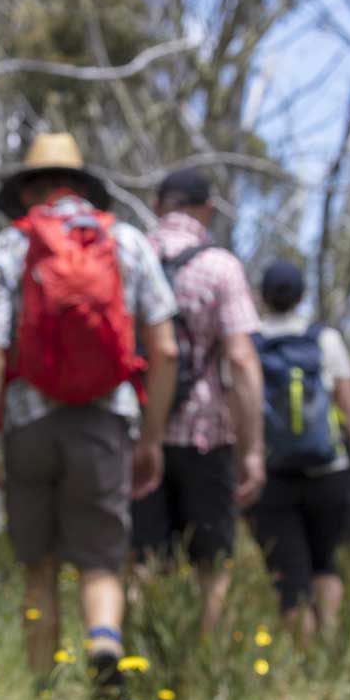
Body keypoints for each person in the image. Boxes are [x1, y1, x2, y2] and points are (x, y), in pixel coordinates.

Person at [0, 133, 178, 694]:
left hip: (27, 422)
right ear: (82, 186)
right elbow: (166, 350)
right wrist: (151, 438)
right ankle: (104, 643)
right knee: (101, 560)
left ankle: (41, 687)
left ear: (28, 191)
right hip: (106, 420)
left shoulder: (6, 249)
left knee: (39, 566)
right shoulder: (128, 242)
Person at [132, 167, 264, 635]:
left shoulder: (130, 257)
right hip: (205, 432)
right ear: (206, 208)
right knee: (212, 564)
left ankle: (143, 653)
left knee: (144, 556)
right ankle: (202, 659)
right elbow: (242, 360)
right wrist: (252, 449)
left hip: (136, 430)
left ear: (158, 203)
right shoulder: (221, 266)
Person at [247, 261, 350, 638]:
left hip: (274, 477)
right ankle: (327, 649)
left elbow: (240, 412)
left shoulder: (251, 344)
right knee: (325, 564)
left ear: (262, 297)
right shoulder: (324, 341)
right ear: (302, 297)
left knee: (290, 576)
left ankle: (304, 665)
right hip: (330, 473)